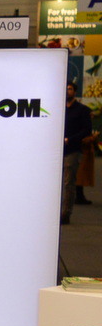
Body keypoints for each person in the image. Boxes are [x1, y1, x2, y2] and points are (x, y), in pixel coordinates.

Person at [63, 81, 93, 224]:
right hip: (57, 151)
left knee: (69, 183)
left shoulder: (82, 110)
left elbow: (87, 130)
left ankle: (66, 213)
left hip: (73, 150)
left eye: (70, 89)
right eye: (65, 89)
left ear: (74, 91)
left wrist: (71, 139)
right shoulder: (59, 109)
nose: (67, 91)